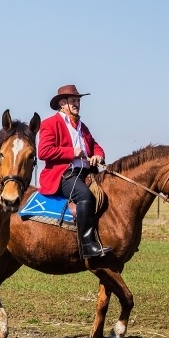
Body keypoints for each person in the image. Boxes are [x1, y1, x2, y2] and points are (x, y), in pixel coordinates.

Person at [38, 84, 111, 258]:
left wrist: (98, 156)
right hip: (64, 175)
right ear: (63, 104)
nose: (77, 104)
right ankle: (87, 245)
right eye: (73, 101)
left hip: (86, 172)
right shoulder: (49, 124)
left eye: (78, 100)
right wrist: (71, 152)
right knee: (85, 196)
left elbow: (95, 146)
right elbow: (43, 152)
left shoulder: (82, 126)